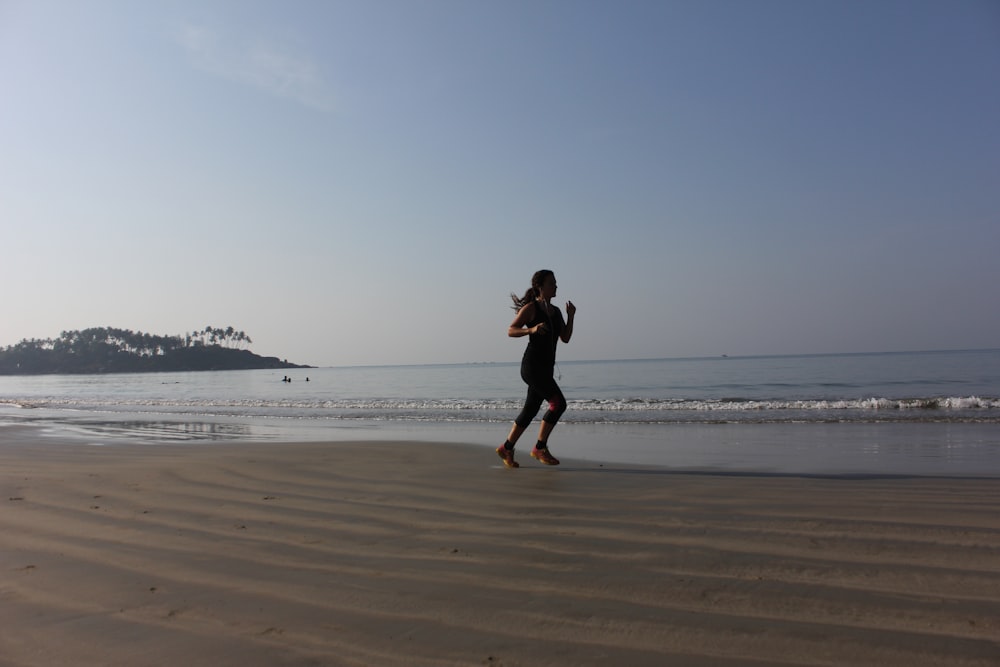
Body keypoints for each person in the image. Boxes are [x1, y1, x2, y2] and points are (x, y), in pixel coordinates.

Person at [497, 269, 576, 468]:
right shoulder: (532, 309)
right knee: (558, 404)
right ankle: (540, 447)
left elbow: (565, 338)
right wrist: (531, 329)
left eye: (556, 283)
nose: (556, 286)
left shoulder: (557, 312)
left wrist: (571, 316)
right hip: (532, 367)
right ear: (540, 287)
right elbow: (511, 330)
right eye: (552, 283)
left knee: (530, 409)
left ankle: (507, 448)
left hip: (546, 369)